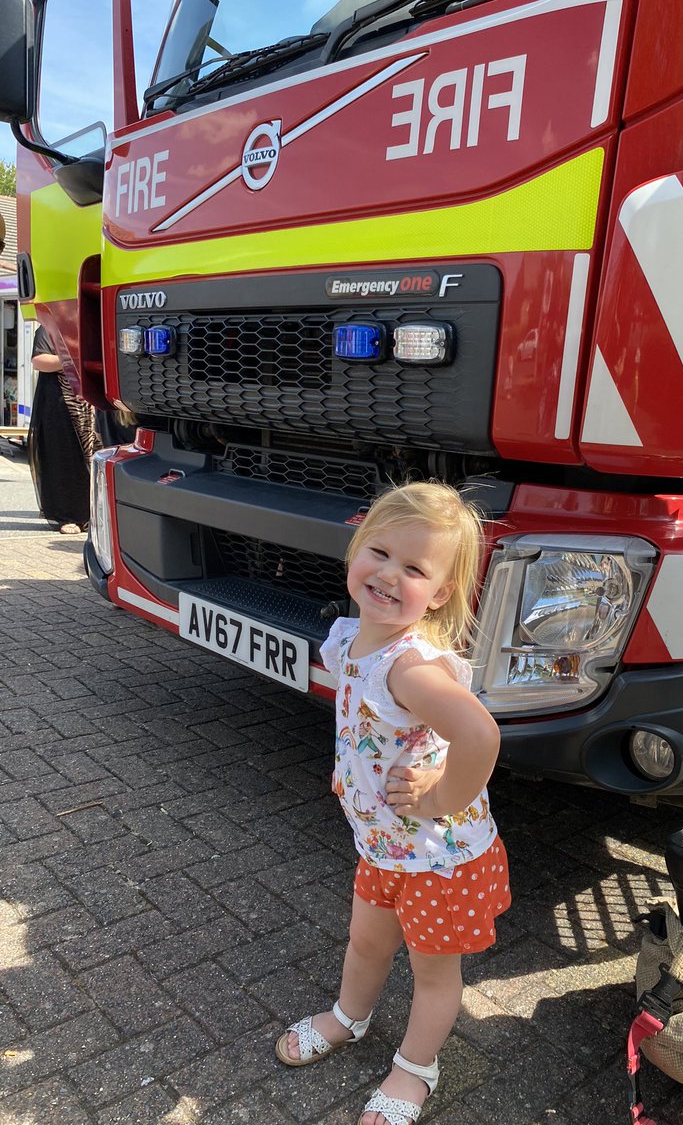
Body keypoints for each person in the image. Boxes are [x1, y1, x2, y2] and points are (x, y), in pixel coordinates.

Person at [275, 481, 509, 1125]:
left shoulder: (410, 667)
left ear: (438, 594)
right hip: (382, 845)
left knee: (433, 974)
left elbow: (480, 733)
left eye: (413, 568)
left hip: (437, 856)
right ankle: (350, 1016)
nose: (386, 574)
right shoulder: (353, 636)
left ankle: (416, 1067)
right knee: (366, 943)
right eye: (378, 552)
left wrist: (441, 797)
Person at [28, 325, 97, 534]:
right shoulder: (48, 329)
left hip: (89, 406)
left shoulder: (89, 324)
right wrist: (70, 362)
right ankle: (67, 517)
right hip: (59, 404)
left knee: (93, 459)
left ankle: (90, 515)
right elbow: (38, 361)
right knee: (64, 460)